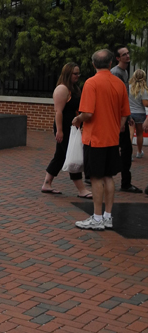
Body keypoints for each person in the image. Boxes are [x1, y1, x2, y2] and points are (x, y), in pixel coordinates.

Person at [73, 48, 130, 230]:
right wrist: (117, 129)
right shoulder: (119, 84)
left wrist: (78, 119)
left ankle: (97, 218)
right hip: (112, 138)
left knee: (96, 178)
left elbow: (88, 112)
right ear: (111, 63)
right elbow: (124, 115)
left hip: (94, 139)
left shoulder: (91, 83)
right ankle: (107, 216)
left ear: (93, 64)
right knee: (108, 177)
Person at [41, 63, 91, 197]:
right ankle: (81, 190)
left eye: (78, 73)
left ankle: (47, 183)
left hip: (73, 127)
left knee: (60, 155)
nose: (78, 76)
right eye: (75, 73)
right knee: (72, 155)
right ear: (68, 74)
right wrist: (60, 130)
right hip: (64, 127)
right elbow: (58, 112)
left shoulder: (73, 88)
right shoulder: (62, 89)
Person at [111, 46, 141, 193]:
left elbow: (124, 98)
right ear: (118, 58)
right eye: (124, 55)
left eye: (128, 53)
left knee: (124, 149)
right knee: (123, 149)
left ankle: (125, 181)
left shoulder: (124, 71)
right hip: (117, 119)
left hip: (122, 117)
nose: (127, 56)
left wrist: (128, 116)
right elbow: (118, 98)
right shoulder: (116, 73)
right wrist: (122, 120)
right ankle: (124, 183)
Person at [128, 68, 148, 159]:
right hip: (140, 113)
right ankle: (139, 152)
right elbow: (145, 103)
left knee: (130, 134)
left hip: (130, 113)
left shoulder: (128, 87)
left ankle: (129, 154)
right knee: (140, 134)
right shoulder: (143, 89)